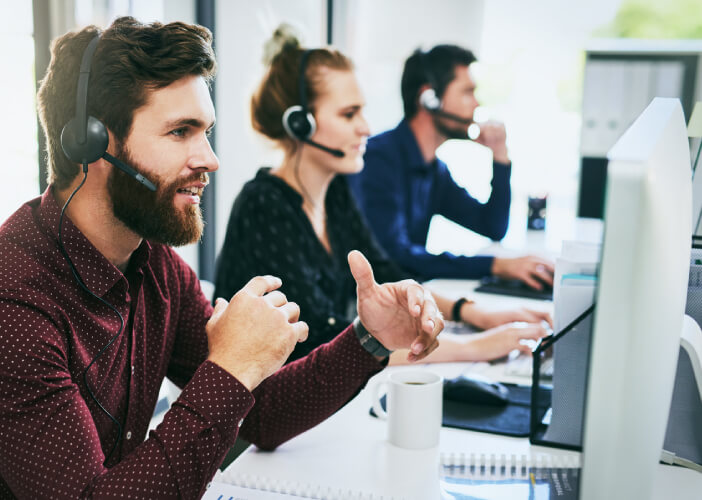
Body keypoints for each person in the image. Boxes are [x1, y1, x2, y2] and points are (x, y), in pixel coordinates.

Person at [0, 18, 445, 499]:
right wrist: (228, 368)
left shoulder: (155, 264)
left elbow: (263, 413)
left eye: (205, 131)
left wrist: (369, 339)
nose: (209, 158)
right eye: (180, 132)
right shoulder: (0, 302)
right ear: (91, 142)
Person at [214, 27, 550, 367]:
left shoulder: (336, 192)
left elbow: (387, 274)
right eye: (349, 114)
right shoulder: (265, 206)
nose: (366, 128)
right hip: (262, 409)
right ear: (300, 124)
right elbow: (318, 343)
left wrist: (473, 314)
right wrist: (476, 347)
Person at [347, 44, 554, 290]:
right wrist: (495, 265)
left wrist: (500, 157)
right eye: (467, 92)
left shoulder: (434, 171)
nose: (476, 104)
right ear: (429, 99)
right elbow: (395, 255)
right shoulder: (378, 160)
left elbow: (492, 226)